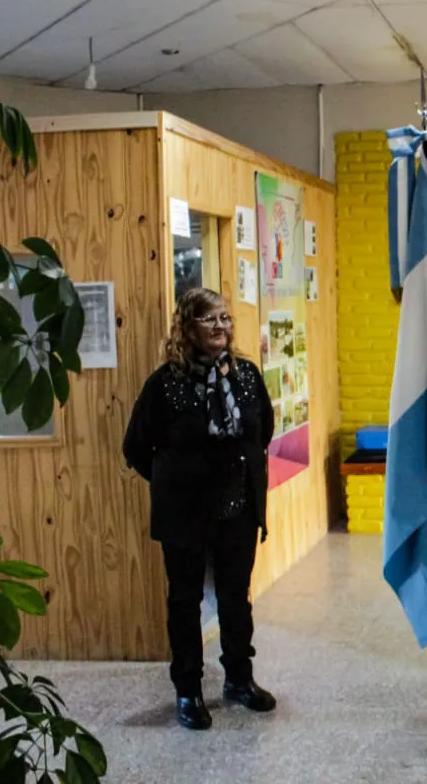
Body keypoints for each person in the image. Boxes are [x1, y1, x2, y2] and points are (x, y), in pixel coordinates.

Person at [123, 288, 277, 730]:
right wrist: (174, 483)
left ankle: (239, 679)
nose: (220, 326)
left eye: (224, 318)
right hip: (185, 512)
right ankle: (188, 689)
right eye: (209, 319)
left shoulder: (246, 376)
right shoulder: (165, 384)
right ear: (187, 327)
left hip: (238, 507)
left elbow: (262, 430)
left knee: (235, 597)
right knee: (185, 601)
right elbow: (136, 447)